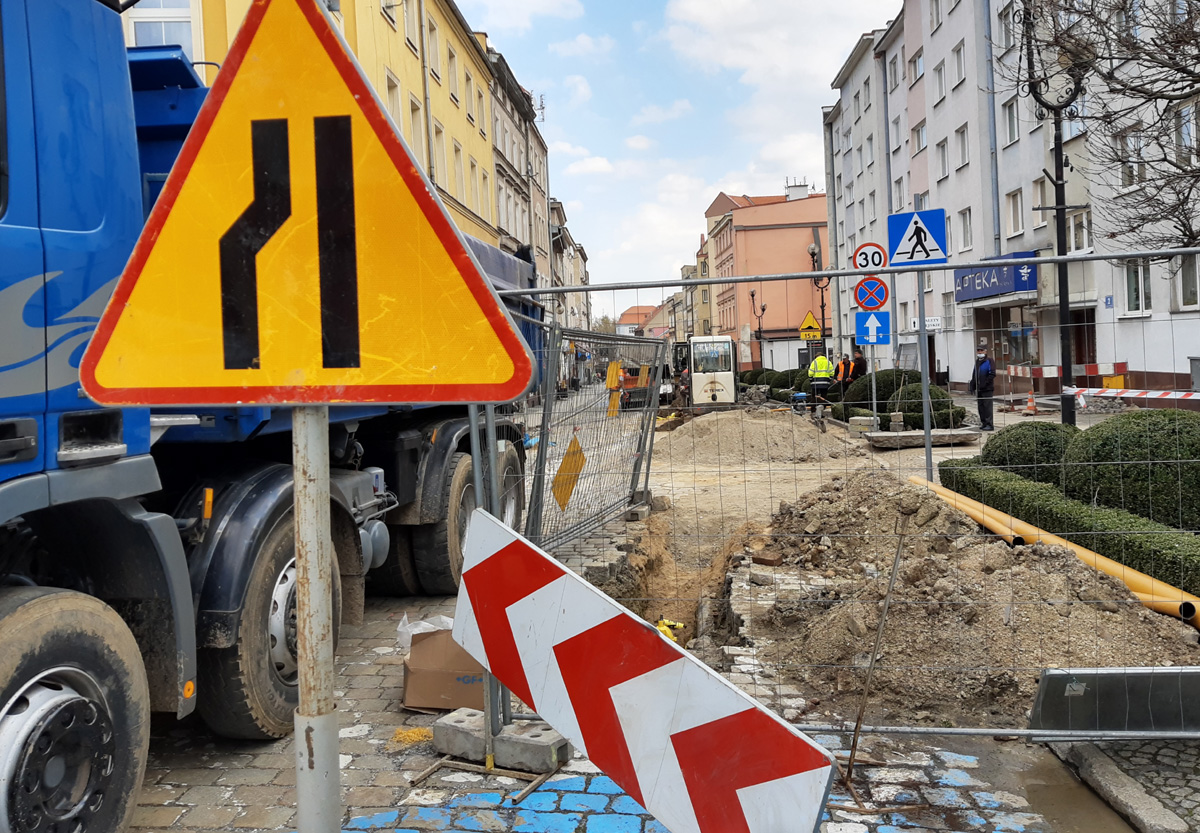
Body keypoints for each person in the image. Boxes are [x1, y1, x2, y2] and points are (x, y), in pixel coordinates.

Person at [969, 345, 996, 431]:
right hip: (979, 389)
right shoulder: (977, 362)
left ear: (985, 351)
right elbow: (975, 374)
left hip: (987, 388)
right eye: (978, 351)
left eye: (981, 351)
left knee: (987, 407)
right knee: (981, 407)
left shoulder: (989, 361)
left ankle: (989, 424)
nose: (980, 352)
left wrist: (985, 383)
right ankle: (984, 423)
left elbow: (992, 374)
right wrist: (972, 384)